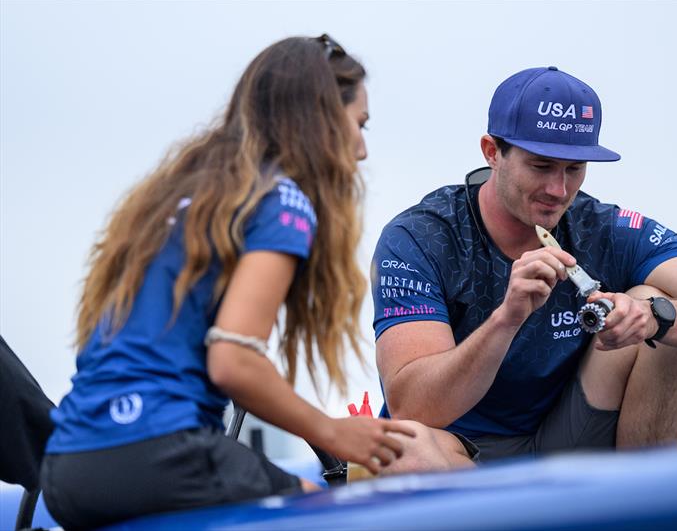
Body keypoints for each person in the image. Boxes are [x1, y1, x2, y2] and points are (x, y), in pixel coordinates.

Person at [40, 34, 419, 529]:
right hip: (159, 453)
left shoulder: (180, 198)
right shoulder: (282, 202)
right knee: (326, 515)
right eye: (359, 124)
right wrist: (331, 431)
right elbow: (233, 360)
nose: (362, 150)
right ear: (322, 120)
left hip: (67, 466)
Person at [371, 66, 677, 464]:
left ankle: (643, 508)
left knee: (659, 313)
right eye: (542, 166)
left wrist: (656, 318)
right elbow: (412, 407)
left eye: (574, 168)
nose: (559, 189)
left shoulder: (606, 229)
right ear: (492, 152)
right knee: (404, 448)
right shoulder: (420, 238)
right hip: (458, 454)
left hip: (566, 442)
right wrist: (506, 320)